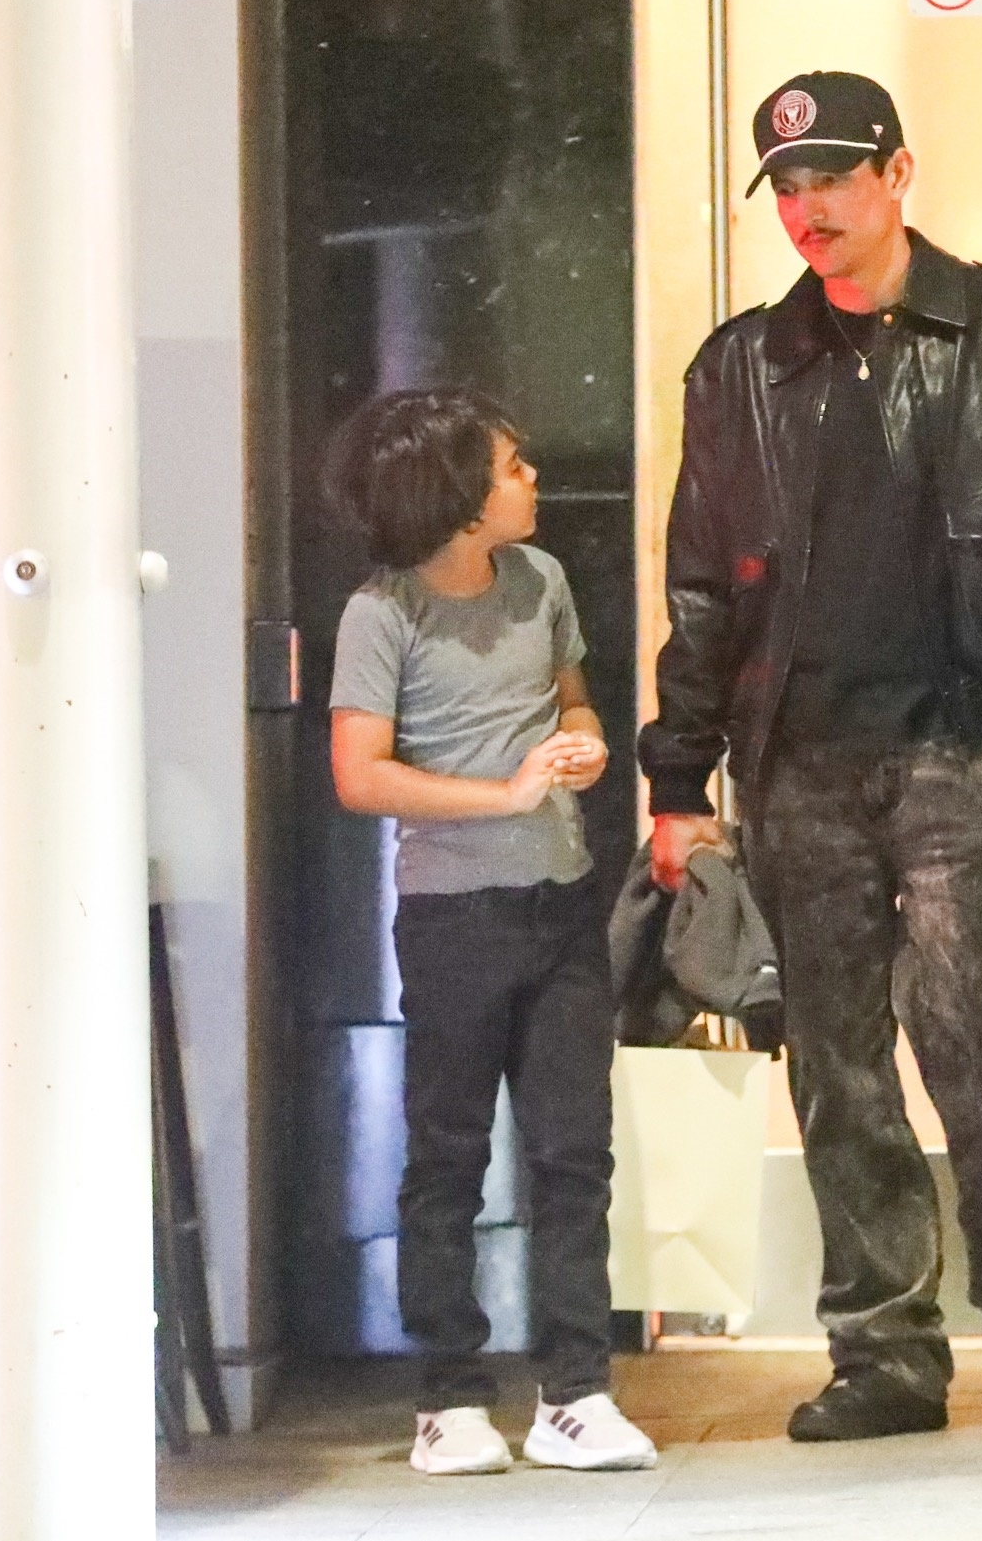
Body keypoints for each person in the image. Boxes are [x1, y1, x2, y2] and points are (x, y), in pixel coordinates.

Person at [637, 71, 982, 1441]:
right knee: (834, 1064)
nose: (807, 208)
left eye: (833, 178)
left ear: (899, 175)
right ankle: (883, 1357)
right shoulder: (739, 366)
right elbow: (702, 591)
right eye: (785, 186)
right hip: (793, 762)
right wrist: (679, 779)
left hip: (964, 748)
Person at [325, 388, 658, 1475]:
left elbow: (574, 701)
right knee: (449, 1158)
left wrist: (585, 744)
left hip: (561, 902)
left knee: (574, 1154)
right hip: (451, 919)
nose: (531, 479)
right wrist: (506, 795)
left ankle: (575, 1391)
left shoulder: (543, 581)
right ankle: (449, 1398)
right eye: (511, 466)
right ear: (461, 498)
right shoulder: (381, 614)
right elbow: (359, 773)